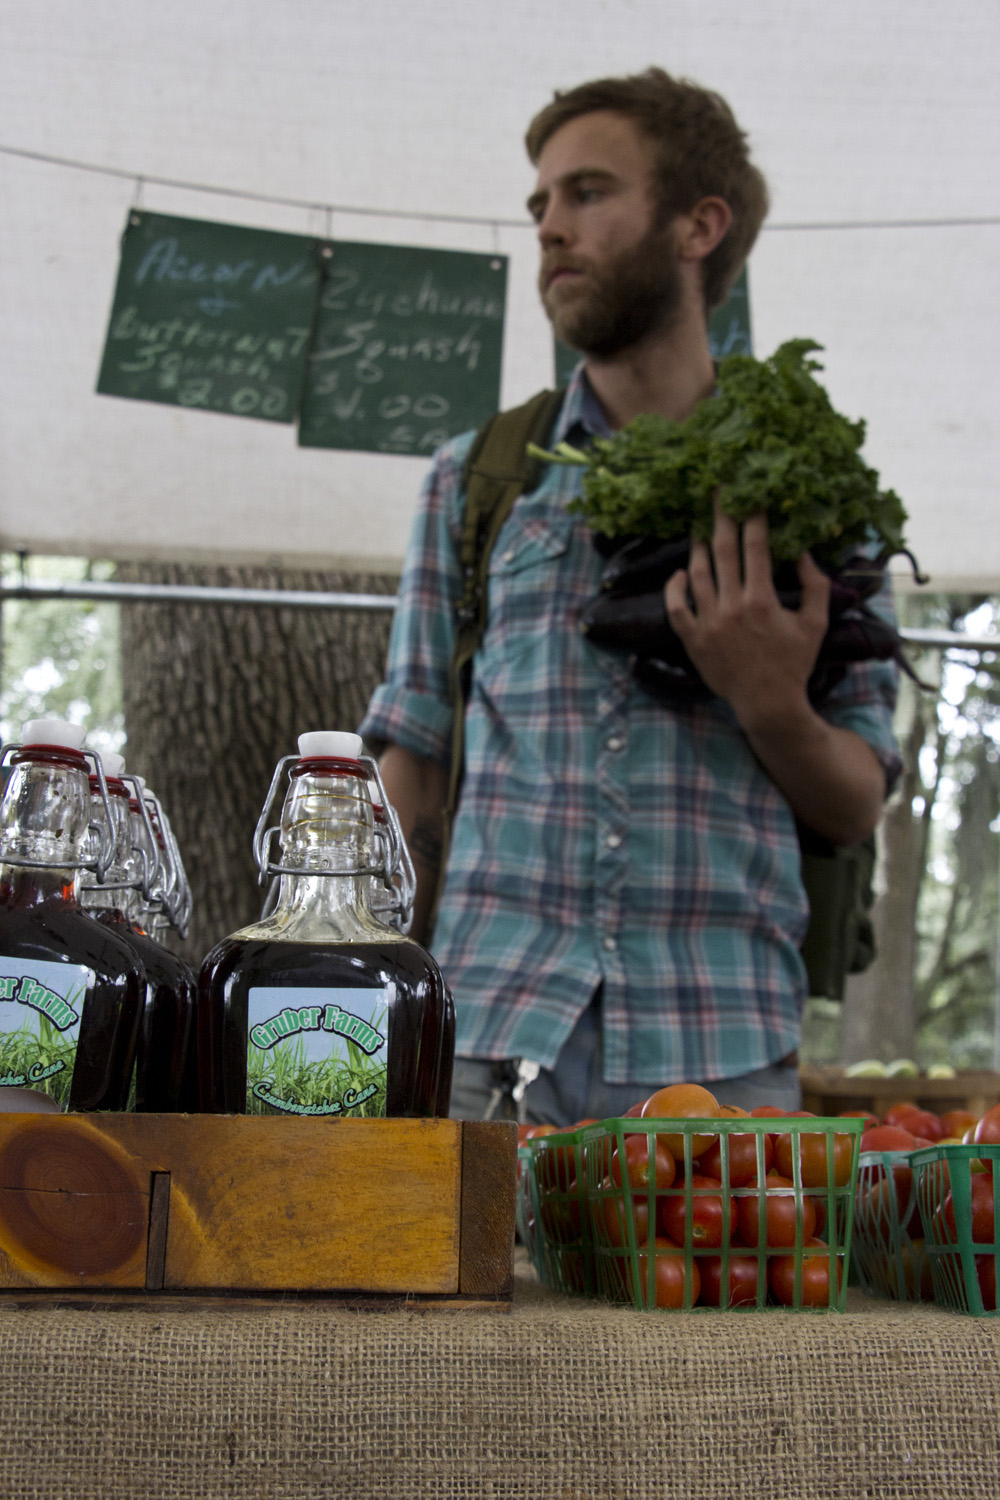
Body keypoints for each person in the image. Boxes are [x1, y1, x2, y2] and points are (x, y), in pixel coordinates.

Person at [359, 67, 900, 1125]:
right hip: (484, 1045)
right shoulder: (476, 480)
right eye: (540, 205)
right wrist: (363, 992)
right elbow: (411, 765)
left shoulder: (817, 494)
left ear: (700, 225)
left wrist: (770, 701)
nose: (550, 229)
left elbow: (854, 799)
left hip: (726, 1055)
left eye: (588, 193)